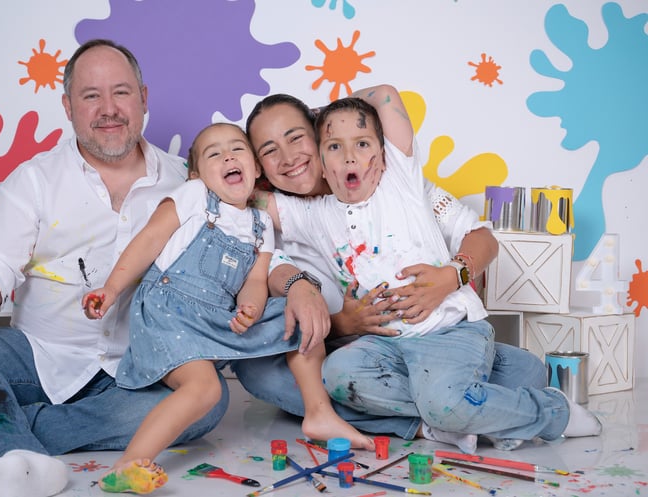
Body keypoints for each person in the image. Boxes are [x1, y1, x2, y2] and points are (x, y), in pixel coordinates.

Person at [0, 39, 229, 497]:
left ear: (143, 97)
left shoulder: (187, 183)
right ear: (67, 106)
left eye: (121, 92)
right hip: (39, 357)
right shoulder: (33, 181)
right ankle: (3, 452)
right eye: (90, 95)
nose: (108, 109)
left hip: (140, 369)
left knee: (210, 401)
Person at [257, 96, 602, 451]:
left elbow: (386, 96)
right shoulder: (308, 217)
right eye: (334, 146)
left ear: (382, 155)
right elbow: (250, 201)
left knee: (523, 372)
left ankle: (549, 413)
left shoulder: (401, 184)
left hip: (444, 331)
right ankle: (461, 415)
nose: (348, 156)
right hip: (382, 346)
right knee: (337, 375)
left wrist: (452, 274)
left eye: (361, 144)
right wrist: (212, 175)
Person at [82, 122, 372, 494]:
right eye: (214, 153)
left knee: (300, 312)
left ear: (254, 169)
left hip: (218, 316)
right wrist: (111, 287)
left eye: (237, 149)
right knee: (206, 390)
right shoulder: (194, 196)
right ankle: (129, 463)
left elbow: (254, 280)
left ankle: (319, 413)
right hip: (170, 315)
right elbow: (150, 239)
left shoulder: (260, 223)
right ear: (196, 173)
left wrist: (251, 308)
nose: (228, 156)